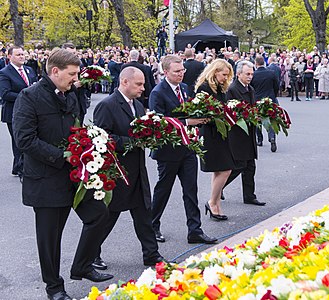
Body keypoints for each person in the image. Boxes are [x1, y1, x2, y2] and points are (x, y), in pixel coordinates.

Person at [13, 48, 112, 300]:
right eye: (72, 74)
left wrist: (91, 144)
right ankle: (54, 288)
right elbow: (24, 139)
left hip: (75, 175)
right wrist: (61, 156)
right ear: (54, 71)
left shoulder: (71, 92)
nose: (76, 78)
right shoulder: (28, 96)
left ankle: (82, 265)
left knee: (99, 214)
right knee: (50, 238)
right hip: (46, 179)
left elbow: (77, 125)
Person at [93, 67, 166, 269]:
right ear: (124, 82)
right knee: (108, 216)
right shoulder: (107, 105)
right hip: (117, 172)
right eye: (139, 84)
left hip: (138, 170)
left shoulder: (139, 106)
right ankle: (91, 253)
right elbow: (102, 137)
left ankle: (151, 254)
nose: (143, 88)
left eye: (143, 84)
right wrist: (133, 142)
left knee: (144, 213)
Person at [149, 55, 217, 244]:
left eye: (182, 71)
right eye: (177, 71)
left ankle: (195, 230)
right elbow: (158, 123)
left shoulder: (185, 88)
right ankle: (152, 226)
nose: (181, 74)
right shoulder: (158, 92)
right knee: (163, 190)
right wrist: (188, 121)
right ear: (165, 72)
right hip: (167, 151)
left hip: (187, 148)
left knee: (191, 190)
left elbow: (189, 110)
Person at [196, 58, 235, 220]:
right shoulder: (204, 88)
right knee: (226, 169)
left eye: (227, 75)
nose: (226, 78)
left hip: (220, 132)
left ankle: (216, 203)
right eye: (224, 74)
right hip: (210, 133)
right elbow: (201, 113)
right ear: (215, 72)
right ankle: (212, 202)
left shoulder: (219, 87)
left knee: (220, 170)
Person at [224, 60, 265, 206]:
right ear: (239, 74)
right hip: (238, 134)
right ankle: (219, 187)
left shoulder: (250, 88)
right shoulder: (232, 89)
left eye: (252, 74)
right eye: (247, 74)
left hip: (249, 133)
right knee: (239, 166)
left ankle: (249, 196)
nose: (250, 76)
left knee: (250, 167)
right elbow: (230, 112)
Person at [0, 45, 38, 179]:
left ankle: (18, 166)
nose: (22, 57)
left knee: (29, 137)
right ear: (9, 56)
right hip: (13, 113)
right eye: (18, 55)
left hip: (31, 112)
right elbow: (5, 94)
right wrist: (26, 97)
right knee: (18, 140)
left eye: (23, 54)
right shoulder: (5, 72)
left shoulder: (29, 70)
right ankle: (21, 167)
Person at [252, 55, 279, 152]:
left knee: (258, 120)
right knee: (271, 119)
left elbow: (251, 89)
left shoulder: (253, 75)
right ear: (264, 62)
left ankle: (259, 139)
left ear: (256, 63)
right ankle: (272, 138)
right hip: (270, 99)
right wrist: (273, 96)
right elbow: (276, 86)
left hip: (257, 100)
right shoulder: (271, 73)